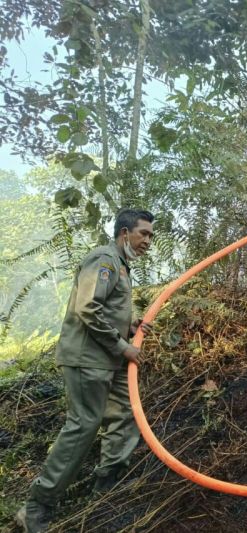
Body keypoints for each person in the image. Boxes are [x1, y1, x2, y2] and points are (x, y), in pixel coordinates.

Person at [16, 209, 155, 533]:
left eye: (151, 235)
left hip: (108, 359)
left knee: (126, 414)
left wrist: (130, 325)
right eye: (143, 233)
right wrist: (123, 346)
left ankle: (103, 493)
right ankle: (36, 505)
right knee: (84, 426)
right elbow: (87, 307)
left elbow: (106, 308)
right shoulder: (105, 260)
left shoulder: (120, 265)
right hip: (87, 359)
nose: (148, 240)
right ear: (124, 232)